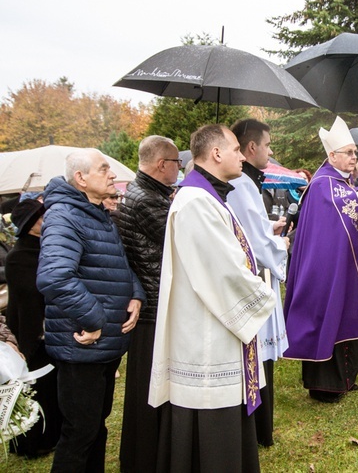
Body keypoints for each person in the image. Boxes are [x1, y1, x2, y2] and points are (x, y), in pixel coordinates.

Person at [149, 124, 275, 472]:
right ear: (216, 153)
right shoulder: (196, 202)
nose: (240, 154)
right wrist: (264, 295)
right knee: (211, 420)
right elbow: (223, 272)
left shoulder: (210, 197)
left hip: (215, 322)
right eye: (235, 148)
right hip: (207, 333)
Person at [37, 149, 145, 472]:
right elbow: (54, 276)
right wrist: (95, 319)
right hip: (80, 346)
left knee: (96, 427)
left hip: (102, 348)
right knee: (80, 434)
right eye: (103, 169)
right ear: (81, 179)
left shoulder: (97, 214)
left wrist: (135, 294)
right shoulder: (65, 216)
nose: (112, 174)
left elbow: (117, 265)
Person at [283, 116, 358, 403]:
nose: (353, 158)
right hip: (323, 270)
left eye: (354, 153)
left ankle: (344, 379)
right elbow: (353, 208)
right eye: (347, 153)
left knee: (343, 317)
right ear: (331, 155)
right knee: (327, 318)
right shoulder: (324, 184)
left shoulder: (337, 182)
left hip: (338, 264)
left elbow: (351, 208)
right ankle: (325, 386)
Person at [114, 135, 179, 472]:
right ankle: (144, 458)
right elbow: (180, 237)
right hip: (152, 306)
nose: (179, 169)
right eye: (177, 163)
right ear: (161, 165)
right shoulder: (147, 200)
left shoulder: (146, 193)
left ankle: (146, 455)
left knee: (148, 385)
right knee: (147, 389)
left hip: (149, 302)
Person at [227, 118, 289, 446]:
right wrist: (281, 246)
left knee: (261, 359)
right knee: (256, 358)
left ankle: (262, 429)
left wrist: (269, 231)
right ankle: (258, 430)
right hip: (252, 279)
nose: (270, 150)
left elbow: (252, 227)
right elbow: (253, 240)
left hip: (255, 274)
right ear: (252, 147)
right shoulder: (241, 183)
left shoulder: (248, 181)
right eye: (267, 145)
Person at [5, 198, 62, 457]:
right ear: (31, 226)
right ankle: (32, 444)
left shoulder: (46, 247)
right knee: (37, 390)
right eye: (41, 217)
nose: (46, 219)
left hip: (49, 328)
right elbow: (28, 296)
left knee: (52, 390)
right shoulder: (19, 256)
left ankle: (52, 436)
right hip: (32, 332)